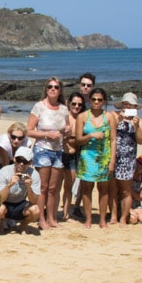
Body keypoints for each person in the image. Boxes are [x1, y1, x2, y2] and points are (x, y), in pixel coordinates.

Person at [27, 77, 69, 230]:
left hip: (58, 150)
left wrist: (67, 131)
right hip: (42, 150)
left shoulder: (64, 108)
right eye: (50, 86)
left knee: (53, 188)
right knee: (43, 187)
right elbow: (29, 130)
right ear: (46, 89)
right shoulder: (39, 107)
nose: (53, 89)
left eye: (56, 87)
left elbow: (67, 127)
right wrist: (47, 135)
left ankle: (52, 218)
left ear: (60, 90)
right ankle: (41, 219)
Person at [75, 87, 117, 228]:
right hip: (87, 156)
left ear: (104, 101)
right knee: (87, 189)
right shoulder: (82, 117)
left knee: (104, 189)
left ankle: (102, 219)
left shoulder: (110, 117)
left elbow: (113, 140)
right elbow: (78, 140)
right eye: (94, 99)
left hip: (104, 156)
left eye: (100, 100)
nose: (96, 102)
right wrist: (91, 135)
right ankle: (88, 218)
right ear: (89, 100)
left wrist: (112, 161)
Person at [112, 93, 142, 226]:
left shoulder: (139, 121)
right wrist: (120, 119)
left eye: (131, 105)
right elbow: (109, 131)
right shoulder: (115, 116)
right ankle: (114, 216)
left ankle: (123, 218)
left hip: (128, 160)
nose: (128, 106)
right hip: (114, 157)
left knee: (126, 190)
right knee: (113, 189)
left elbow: (141, 140)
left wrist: (136, 126)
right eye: (126, 104)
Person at [0, 147, 41, 234]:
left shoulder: (34, 174)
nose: (21, 164)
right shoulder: (4, 172)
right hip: (5, 203)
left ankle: (22, 226)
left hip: (20, 204)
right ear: (14, 159)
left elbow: (34, 201)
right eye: (19, 160)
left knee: (36, 210)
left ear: (30, 162)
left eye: (25, 161)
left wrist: (29, 187)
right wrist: (9, 185)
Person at [64, 92, 85, 221]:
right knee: (61, 187)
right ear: (69, 103)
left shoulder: (83, 118)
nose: (76, 106)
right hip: (64, 154)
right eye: (74, 104)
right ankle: (61, 213)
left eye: (79, 105)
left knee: (75, 185)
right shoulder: (64, 117)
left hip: (77, 155)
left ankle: (70, 211)